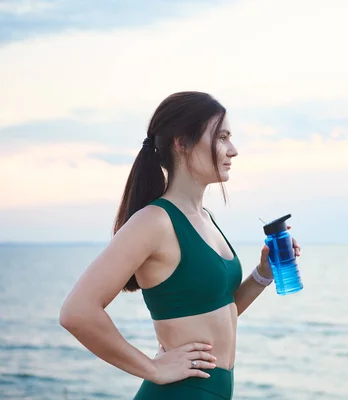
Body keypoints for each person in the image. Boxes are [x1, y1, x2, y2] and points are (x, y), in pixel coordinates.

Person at [59, 91, 301, 399]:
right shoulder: (154, 221)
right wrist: (152, 368)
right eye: (222, 137)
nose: (233, 150)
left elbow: (218, 313)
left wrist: (262, 275)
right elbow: (76, 312)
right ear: (182, 142)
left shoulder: (205, 218)